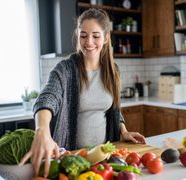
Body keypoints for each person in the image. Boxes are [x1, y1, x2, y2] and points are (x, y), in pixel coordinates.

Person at [19, 8, 146, 177]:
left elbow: (114, 109)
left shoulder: (112, 70)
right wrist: (42, 129)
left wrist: (123, 131)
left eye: (96, 35)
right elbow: (48, 98)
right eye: (83, 35)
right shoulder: (64, 70)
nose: (89, 42)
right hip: (71, 160)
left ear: (106, 38)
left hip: (104, 159)